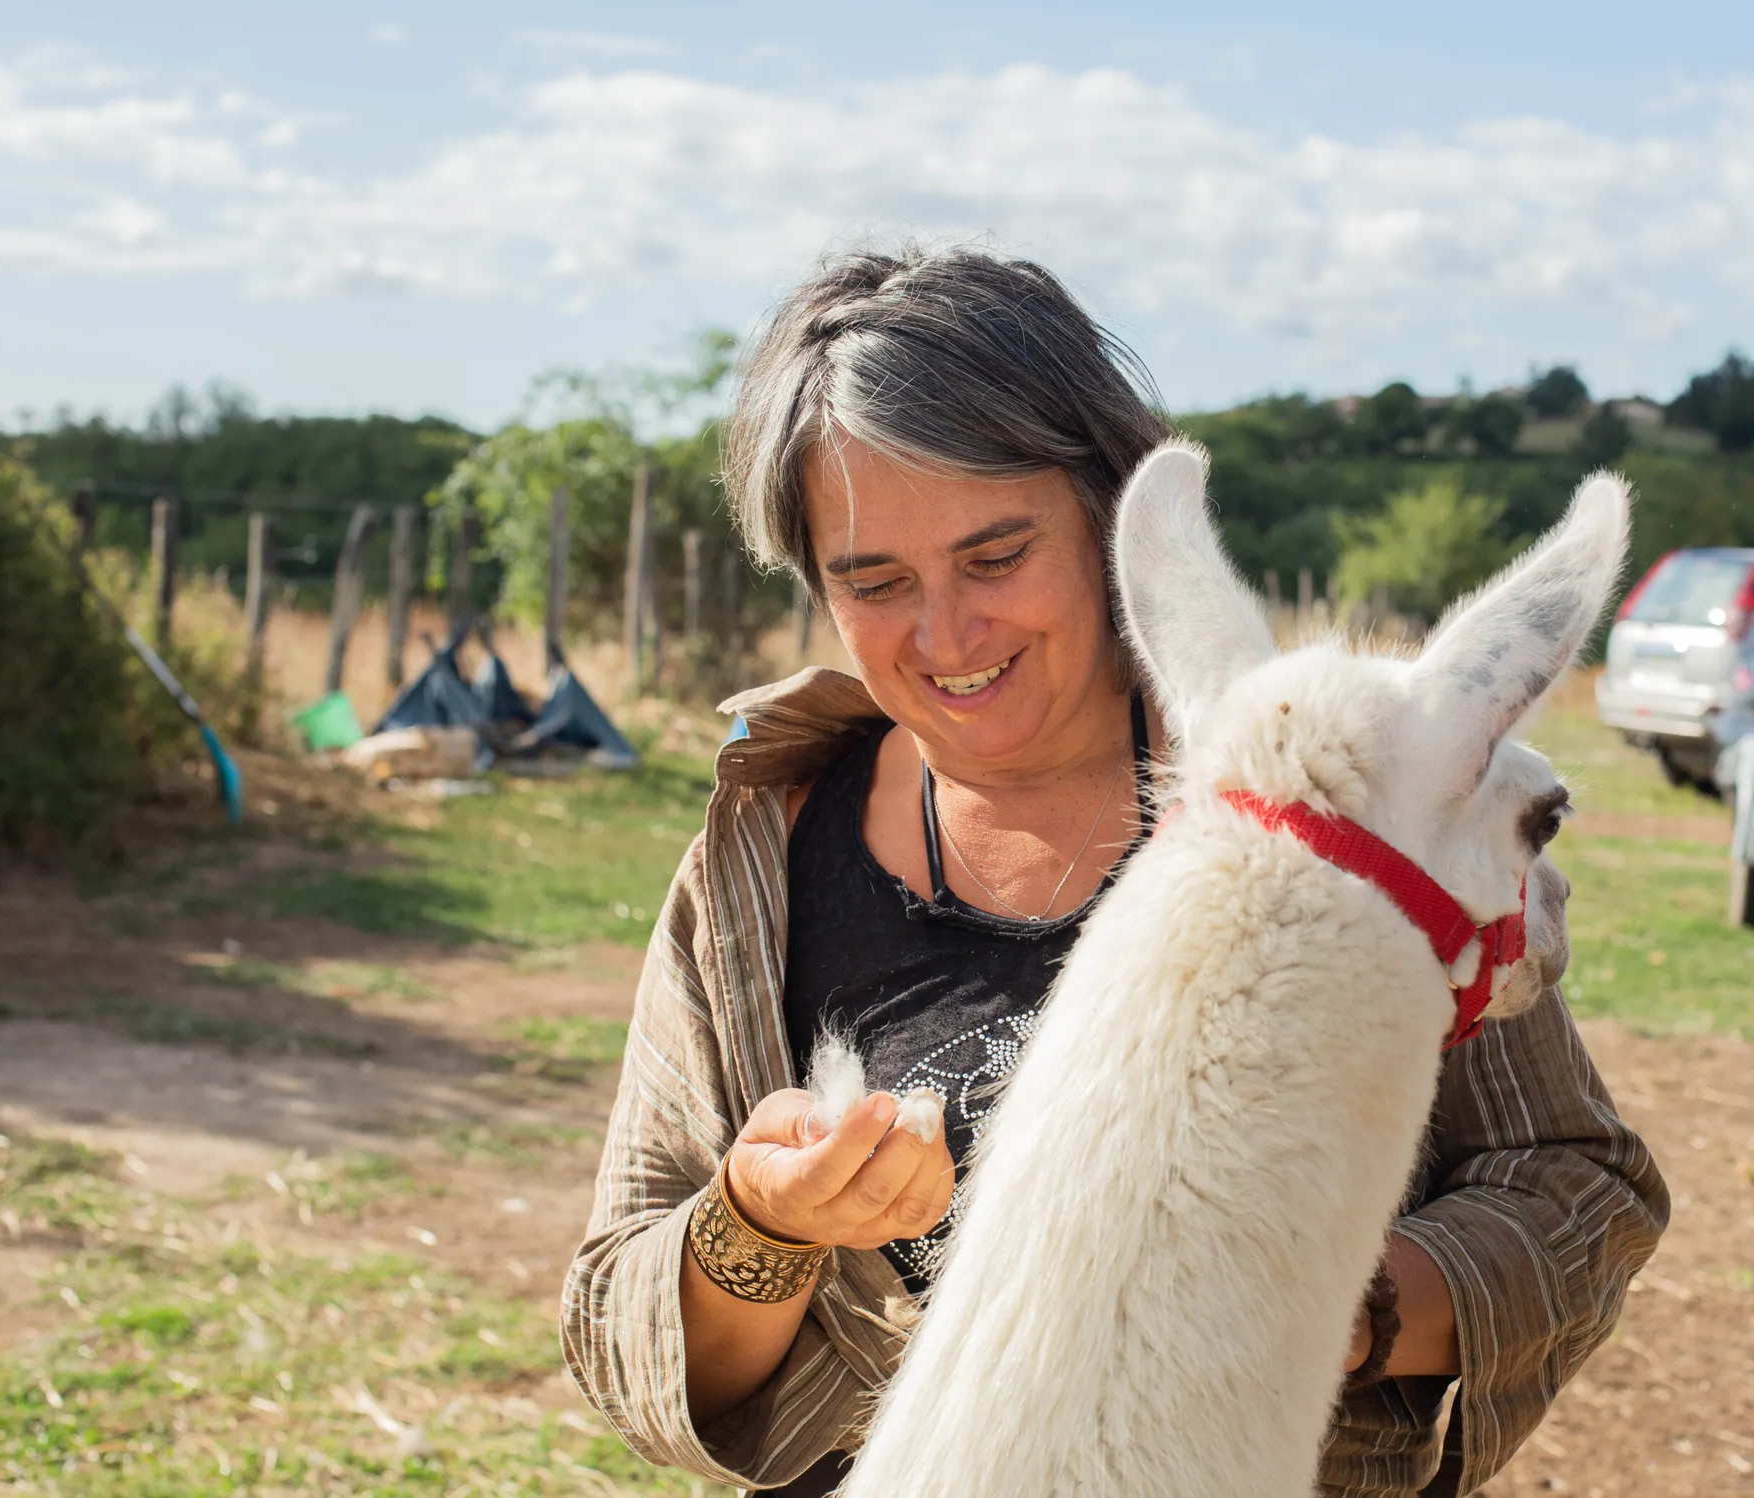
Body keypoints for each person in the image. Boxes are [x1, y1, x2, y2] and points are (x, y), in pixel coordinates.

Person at [561, 246, 1668, 1497]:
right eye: (874, 581)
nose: (946, 635)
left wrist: (1326, 1314)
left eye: (995, 557)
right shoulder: (758, 862)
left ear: (1104, 516)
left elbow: (1575, 1184)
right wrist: (765, 1226)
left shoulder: (1333, 823)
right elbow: (618, 1323)